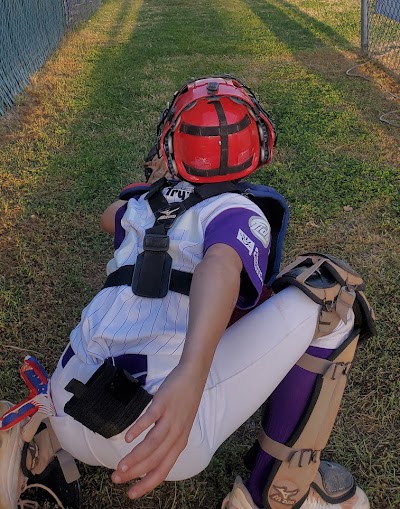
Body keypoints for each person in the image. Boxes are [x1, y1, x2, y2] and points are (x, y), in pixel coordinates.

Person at [0, 76, 375, 509]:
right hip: (160, 427)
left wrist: (159, 191)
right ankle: (281, 491)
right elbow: (219, 265)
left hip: (68, 402)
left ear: (170, 146)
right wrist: (192, 376)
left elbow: (110, 217)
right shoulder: (237, 209)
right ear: (259, 144)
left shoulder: (143, 206)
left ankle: (32, 445)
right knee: (331, 293)